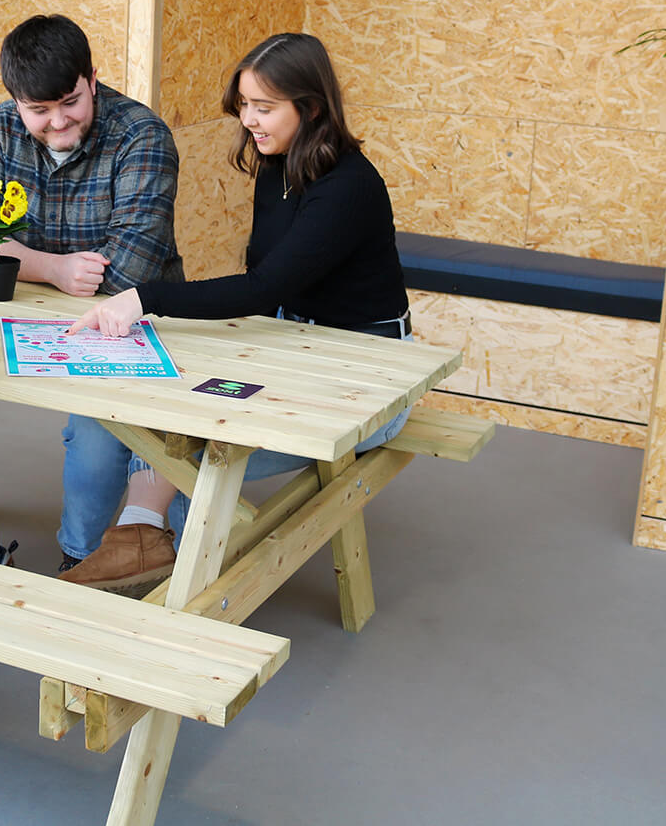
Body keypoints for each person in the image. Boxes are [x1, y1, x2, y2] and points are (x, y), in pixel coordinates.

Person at [60, 32, 411, 593]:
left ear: (311, 107)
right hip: (295, 347)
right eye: (244, 104)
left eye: (264, 107)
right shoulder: (278, 164)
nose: (248, 119)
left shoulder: (349, 187)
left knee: (196, 454)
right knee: (168, 412)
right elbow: (267, 288)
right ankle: (138, 540)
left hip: (371, 376)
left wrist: (146, 298)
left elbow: (261, 287)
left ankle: (166, 570)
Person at [0, 14, 183, 571]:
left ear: (92, 80)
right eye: (39, 110)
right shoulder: (2, 126)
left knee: (97, 423)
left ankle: (80, 560)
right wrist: (53, 269)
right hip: (24, 319)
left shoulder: (143, 136)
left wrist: (16, 260)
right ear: (16, 101)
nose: (57, 121)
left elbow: (128, 272)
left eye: (71, 102)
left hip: (123, 330)